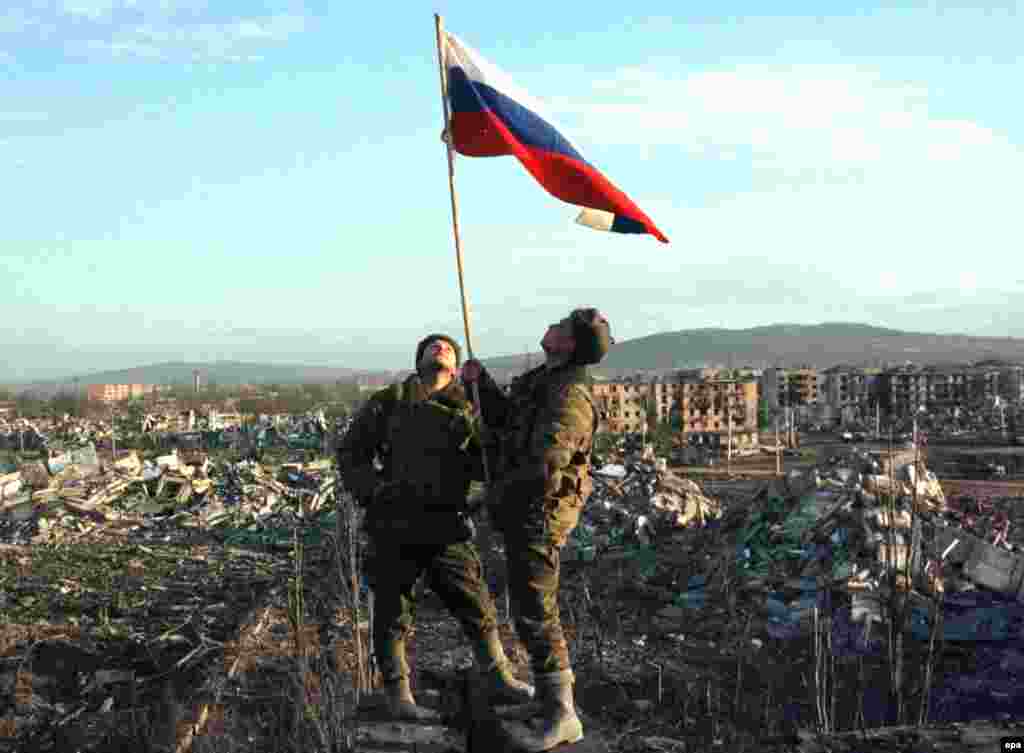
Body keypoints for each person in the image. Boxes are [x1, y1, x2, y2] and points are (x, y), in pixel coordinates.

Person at [336, 334, 534, 722]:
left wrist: (486, 419)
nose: (441, 348)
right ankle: (398, 693)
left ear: (457, 366)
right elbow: (352, 454)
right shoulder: (390, 403)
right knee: (392, 612)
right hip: (395, 522)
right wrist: (373, 492)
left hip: (447, 524)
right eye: (433, 346)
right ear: (419, 360)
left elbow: (492, 462)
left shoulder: (467, 407)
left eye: (449, 348)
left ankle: (497, 677)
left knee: (476, 603)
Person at [462, 308, 611, 751]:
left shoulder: (570, 396)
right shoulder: (543, 381)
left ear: (570, 344)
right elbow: (507, 420)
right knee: (528, 608)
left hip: (539, 514)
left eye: (564, 326)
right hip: (521, 509)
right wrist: (482, 384)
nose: (554, 326)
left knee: (537, 610)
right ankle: (547, 702)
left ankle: (564, 714)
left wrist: (492, 495)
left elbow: (542, 466)